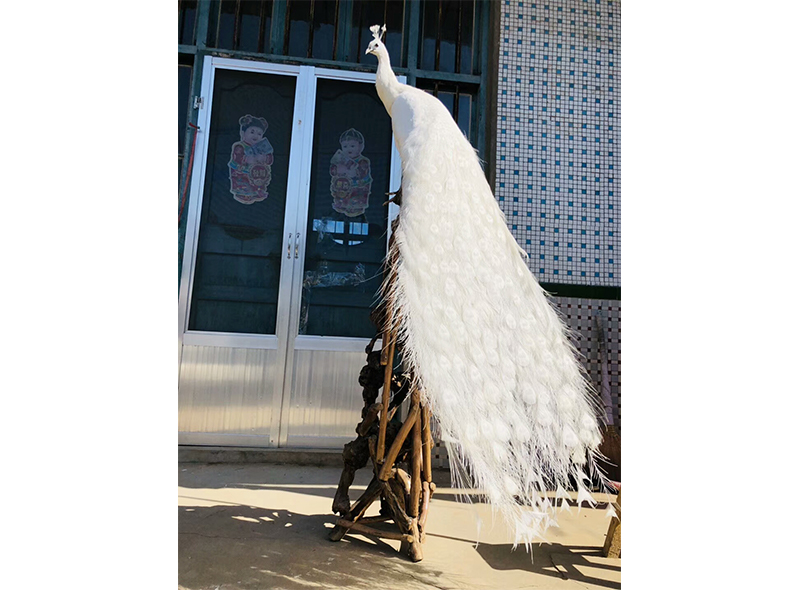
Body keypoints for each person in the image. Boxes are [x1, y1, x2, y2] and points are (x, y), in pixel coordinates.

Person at [228, 114, 273, 204]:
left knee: (260, 179)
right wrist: (246, 160)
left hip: (257, 173)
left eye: (259, 134)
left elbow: (269, 159)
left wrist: (265, 158)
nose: (255, 136)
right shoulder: (240, 146)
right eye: (252, 132)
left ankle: (258, 191)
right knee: (245, 183)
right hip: (243, 171)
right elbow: (237, 158)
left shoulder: (261, 147)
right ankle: (244, 194)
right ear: (242, 133)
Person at [329, 128, 372, 217]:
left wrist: (353, 172)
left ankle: (355, 208)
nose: (349, 149)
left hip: (357, 188)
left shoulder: (362, 161)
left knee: (355, 199)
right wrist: (336, 169)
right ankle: (341, 206)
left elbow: (361, 173)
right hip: (342, 187)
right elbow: (332, 171)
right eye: (345, 146)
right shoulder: (340, 159)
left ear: (360, 146)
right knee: (341, 198)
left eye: (352, 146)